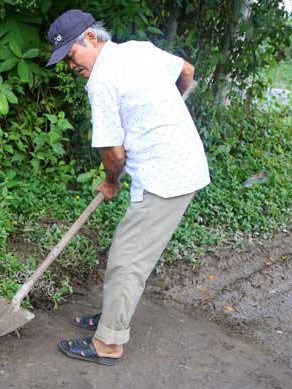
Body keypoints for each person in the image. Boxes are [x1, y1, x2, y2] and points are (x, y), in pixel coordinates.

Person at [45, 9, 210, 366]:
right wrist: (163, 113)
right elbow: (187, 72)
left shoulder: (101, 81)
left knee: (127, 260)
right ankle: (110, 317)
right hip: (181, 164)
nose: (70, 66)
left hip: (166, 175)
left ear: (90, 38)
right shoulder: (138, 50)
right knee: (127, 248)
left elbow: (113, 153)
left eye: (70, 56)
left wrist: (110, 182)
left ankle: (108, 343)